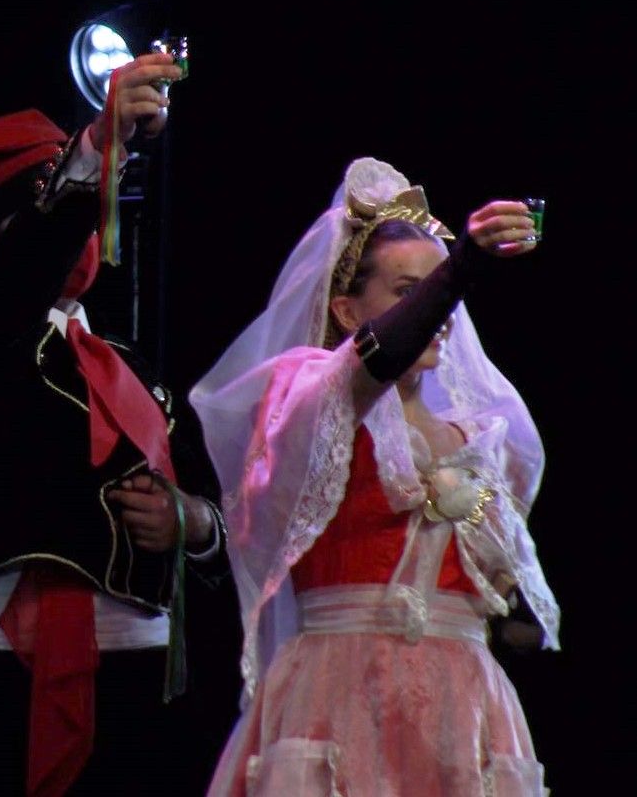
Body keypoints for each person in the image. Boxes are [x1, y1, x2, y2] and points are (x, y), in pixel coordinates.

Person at [189, 156, 561, 796]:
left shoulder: (485, 435)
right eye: (407, 290)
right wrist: (460, 266)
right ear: (344, 309)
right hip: (343, 694)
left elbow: (517, 617)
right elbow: (372, 364)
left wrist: (502, 595)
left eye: (439, 290)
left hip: (463, 707)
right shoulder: (310, 400)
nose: (439, 310)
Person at [0, 51, 232, 796]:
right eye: (66, 210)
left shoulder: (126, 360)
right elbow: (21, 278)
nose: (83, 230)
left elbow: (211, 507)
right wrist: (103, 145)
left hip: (148, 658)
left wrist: (188, 521)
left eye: (90, 212)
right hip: (20, 660)